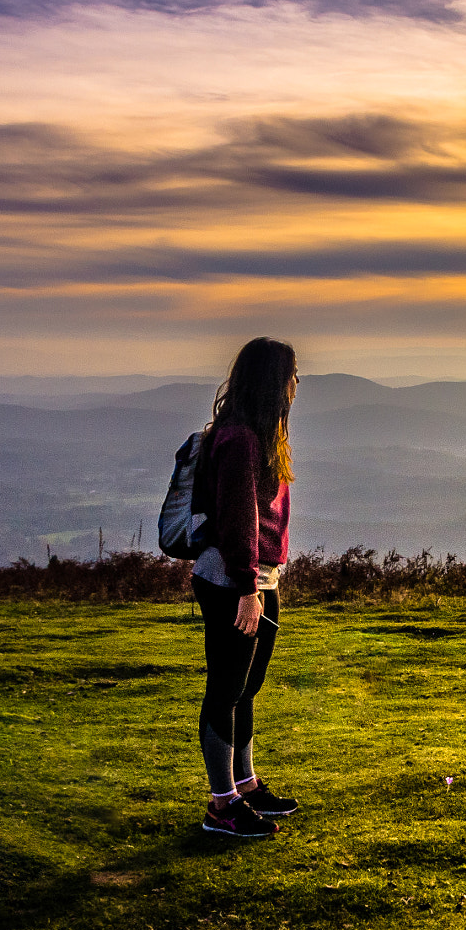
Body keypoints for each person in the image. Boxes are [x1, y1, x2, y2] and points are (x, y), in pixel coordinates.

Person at [191, 336, 301, 838]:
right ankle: (222, 805)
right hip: (234, 580)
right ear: (272, 382)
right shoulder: (240, 440)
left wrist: (263, 580)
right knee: (226, 688)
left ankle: (246, 784)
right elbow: (238, 520)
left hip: (258, 577)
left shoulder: (259, 435)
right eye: (292, 376)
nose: (297, 385)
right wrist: (246, 588)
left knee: (247, 687)